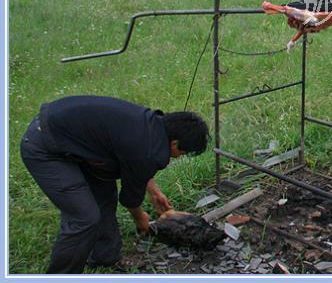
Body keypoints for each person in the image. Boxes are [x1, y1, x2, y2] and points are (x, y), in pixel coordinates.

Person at [20, 95, 209, 274]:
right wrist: (140, 218)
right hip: (45, 147)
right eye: (182, 153)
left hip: (73, 138)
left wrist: (154, 192)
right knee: (84, 217)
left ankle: (105, 257)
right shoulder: (148, 149)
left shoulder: (154, 125)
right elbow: (130, 198)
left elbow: (136, 162)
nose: (178, 157)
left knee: (104, 193)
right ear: (175, 144)